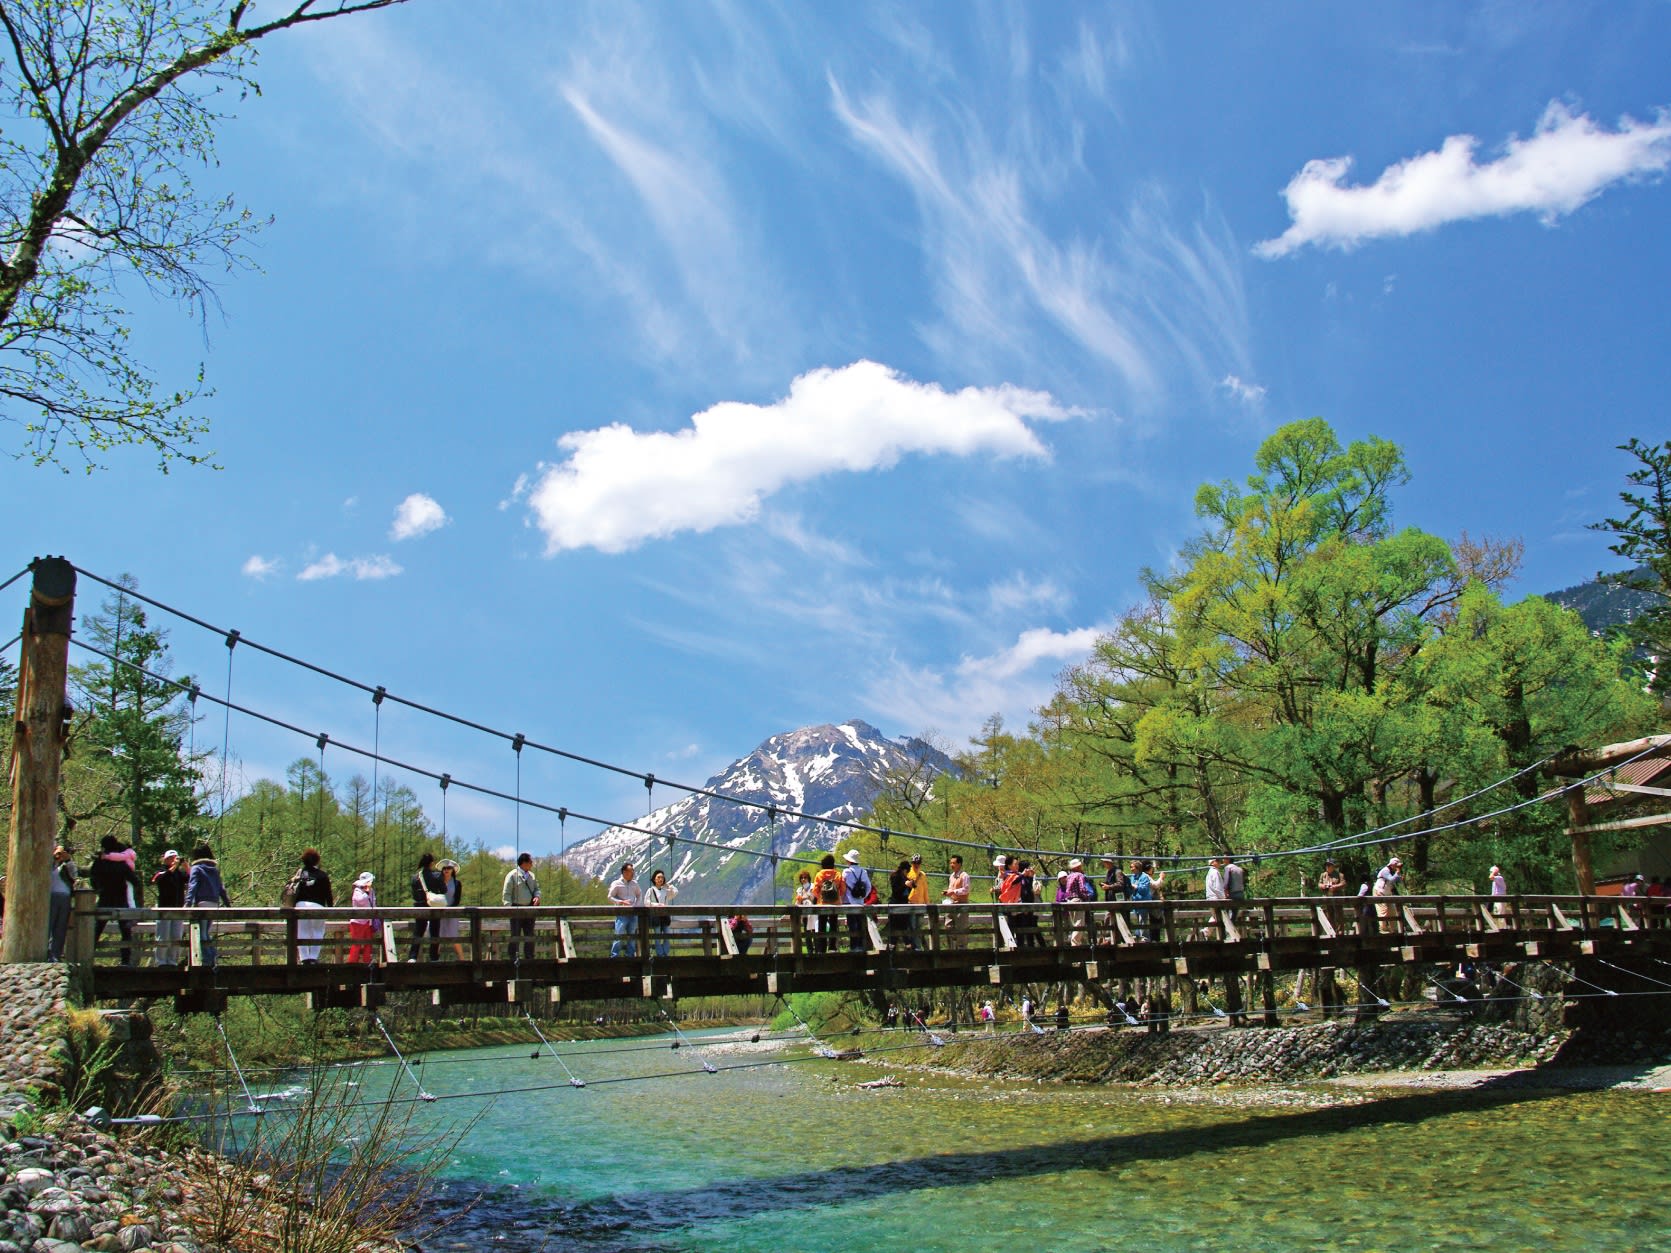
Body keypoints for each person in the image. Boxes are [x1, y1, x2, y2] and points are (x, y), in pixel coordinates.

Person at [90, 835, 142, 965]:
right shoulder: (121, 863)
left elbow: (93, 878)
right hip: (121, 899)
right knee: (125, 931)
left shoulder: (99, 862)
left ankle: (88, 958)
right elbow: (135, 881)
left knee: (96, 930)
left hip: (105, 898)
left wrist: (98, 888)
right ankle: (125, 960)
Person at [184, 843, 230, 966]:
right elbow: (221, 888)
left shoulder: (196, 868)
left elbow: (192, 887)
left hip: (202, 903)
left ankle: (207, 960)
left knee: (202, 933)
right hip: (214, 903)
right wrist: (227, 904)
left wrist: (187, 904)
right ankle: (212, 958)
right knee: (206, 932)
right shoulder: (214, 869)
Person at [288, 848, 334, 964]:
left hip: (301, 904)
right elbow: (328, 893)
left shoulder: (301, 874)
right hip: (318, 905)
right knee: (317, 931)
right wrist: (331, 907)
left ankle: (304, 958)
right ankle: (313, 958)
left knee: (302, 931)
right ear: (317, 861)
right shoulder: (322, 875)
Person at [150, 849, 187, 966]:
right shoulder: (161, 871)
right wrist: (174, 867)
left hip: (178, 908)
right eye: (171, 858)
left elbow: (191, 878)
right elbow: (159, 879)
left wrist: (186, 865)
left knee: (176, 936)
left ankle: (173, 961)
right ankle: (161, 961)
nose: (173, 860)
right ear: (165, 859)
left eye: (175, 858)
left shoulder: (179, 874)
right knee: (163, 936)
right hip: (164, 908)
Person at [502, 852, 539, 961]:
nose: (532, 864)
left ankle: (530, 957)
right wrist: (509, 909)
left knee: (530, 934)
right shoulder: (512, 875)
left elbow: (537, 889)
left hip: (529, 909)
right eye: (530, 862)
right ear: (524, 863)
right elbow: (506, 894)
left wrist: (537, 897)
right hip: (516, 908)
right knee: (515, 934)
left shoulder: (532, 876)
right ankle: (513, 957)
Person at [407, 852, 445, 961]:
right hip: (433, 907)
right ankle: (433, 957)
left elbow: (414, 894)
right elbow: (443, 890)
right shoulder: (437, 876)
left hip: (420, 907)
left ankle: (412, 957)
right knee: (434, 932)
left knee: (418, 932)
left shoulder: (415, 877)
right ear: (432, 863)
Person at [47, 845, 77, 962]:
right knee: (48, 926)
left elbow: (74, 875)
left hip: (65, 897)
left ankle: (55, 955)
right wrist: (54, 858)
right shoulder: (48, 864)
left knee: (60, 927)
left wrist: (68, 860)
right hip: (50, 896)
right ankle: (46, 953)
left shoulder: (67, 865)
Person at [608, 861, 643, 957]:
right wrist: (620, 902)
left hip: (633, 913)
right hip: (621, 913)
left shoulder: (635, 884)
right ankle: (614, 955)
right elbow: (610, 897)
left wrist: (636, 905)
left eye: (633, 871)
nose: (632, 873)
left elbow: (639, 894)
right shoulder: (616, 883)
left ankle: (630, 955)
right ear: (624, 872)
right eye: (631, 871)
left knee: (632, 934)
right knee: (619, 933)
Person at [842, 850, 872, 952]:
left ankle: (853, 946)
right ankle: (860, 946)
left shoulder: (846, 872)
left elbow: (843, 887)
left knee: (852, 925)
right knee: (860, 924)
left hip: (849, 902)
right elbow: (868, 887)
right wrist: (862, 896)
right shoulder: (863, 872)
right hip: (860, 902)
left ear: (849, 861)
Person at [811, 853, 842, 953]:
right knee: (833, 924)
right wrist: (837, 896)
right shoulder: (837, 874)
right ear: (833, 864)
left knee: (822, 925)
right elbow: (843, 889)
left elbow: (815, 891)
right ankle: (832, 947)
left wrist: (820, 897)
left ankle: (821, 948)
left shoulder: (819, 875)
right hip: (835, 904)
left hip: (822, 904)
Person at [347, 872, 379, 964]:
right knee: (356, 944)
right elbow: (361, 901)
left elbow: (373, 904)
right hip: (358, 922)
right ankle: (352, 963)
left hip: (368, 921)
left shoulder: (371, 891)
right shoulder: (357, 891)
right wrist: (367, 891)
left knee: (368, 944)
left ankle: (367, 962)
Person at [644, 868, 677, 957]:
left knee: (666, 934)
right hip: (655, 916)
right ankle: (660, 953)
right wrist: (657, 905)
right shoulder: (650, 890)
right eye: (658, 877)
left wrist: (668, 885)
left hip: (664, 915)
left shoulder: (665, 891)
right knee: (657, 935)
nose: (660, 879)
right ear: (654, 879)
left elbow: (675, 892)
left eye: (662, 877)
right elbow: (646, 902)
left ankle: (665, 953)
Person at [436, 859, 465, 961]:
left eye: (449, 868)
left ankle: (462, 959)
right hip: (438, 913)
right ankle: (435, 960)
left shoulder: (457, 883)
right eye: (444, 868)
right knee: (437, 937)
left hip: (452, 913)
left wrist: (449, 909)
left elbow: (457, 900)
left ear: (453, 870)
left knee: (454, 936)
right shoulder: (437, 882)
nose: (446, 870)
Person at [942, 854, 970, 948]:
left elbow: (966, 889)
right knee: (948, 925)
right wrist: (948, 892)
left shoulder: (964, 876)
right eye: (951, 863)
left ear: (959, 864)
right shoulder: (951, 876)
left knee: (961, 928)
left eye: (953, 863)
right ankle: (956, 942)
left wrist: (954, 891)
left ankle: (962, 949)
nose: (951, 865)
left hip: (962, 905)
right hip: (952, 904)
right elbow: (951, 888)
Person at [888, 859, 913, 951]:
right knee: (896, 926)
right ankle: (893, 946)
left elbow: (908, 891)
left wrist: (910, 886)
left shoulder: (905, 878)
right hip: (896, 904)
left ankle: (905, 945)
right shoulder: (895, 877)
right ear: (905, 870)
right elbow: (896, 891)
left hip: (904, 904)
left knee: (903, 926)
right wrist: (905, 885)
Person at [1373, 856, 1402, 932]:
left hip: (1388, 893)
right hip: (1379, 892)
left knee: (1392, 911)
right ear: (1392, 864)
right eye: (1396, 865)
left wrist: (1399, 875)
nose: (1397, 867)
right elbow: (1391, 879)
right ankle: (1383, 929)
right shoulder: (1385, 870)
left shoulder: (1393, 871)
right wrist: (1398, 872)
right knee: (1383, 911)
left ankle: (1393, 929)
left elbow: (1398, 881)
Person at [905, 853, 930, 942]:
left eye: (918, 862)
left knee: (919, 927)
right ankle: (914, 946)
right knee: (912, 926)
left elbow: (925, 890)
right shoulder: (908, 873)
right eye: (914, 862)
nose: (916, 864)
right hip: (911, 903)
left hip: (921, 904)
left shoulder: (922, 875)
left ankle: (917, 946)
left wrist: (927, 903)